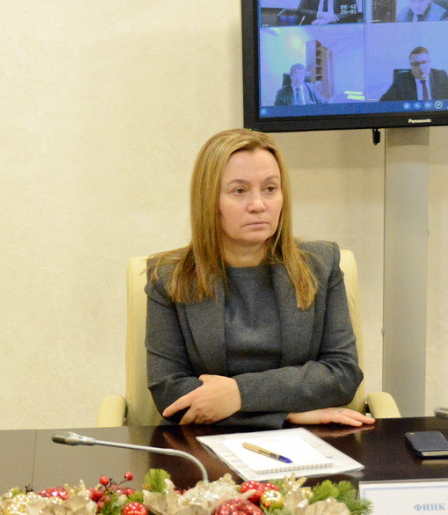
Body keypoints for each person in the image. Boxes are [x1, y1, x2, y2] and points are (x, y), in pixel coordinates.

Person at [144, 129, 372, 430]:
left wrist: (239, 394)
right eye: (239, 191)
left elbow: (342, 375)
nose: (258, 204)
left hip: (308, 442)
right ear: (209, 200)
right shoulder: (169, 276)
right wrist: (285, 415)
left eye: (270, 189)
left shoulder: (320, 264)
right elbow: (169, 392)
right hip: (206, 440)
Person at [379, 46, 448, 101]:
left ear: (429, 62)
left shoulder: (440, 76)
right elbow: (383, 102)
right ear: (410, 66)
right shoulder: (402, 80)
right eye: (416, 64)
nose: (420, 68)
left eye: (424, 62)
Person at [297, 0, 363, 24]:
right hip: (315, 28)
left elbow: (353, 11)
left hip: (339, 28)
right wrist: (319, 14)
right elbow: (300, 10)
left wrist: (329, 19)